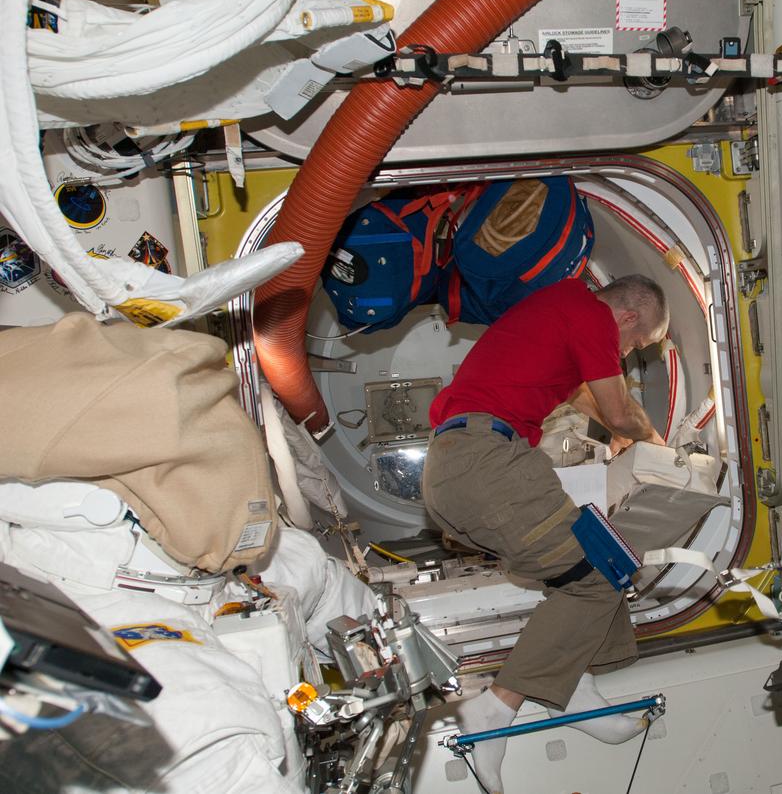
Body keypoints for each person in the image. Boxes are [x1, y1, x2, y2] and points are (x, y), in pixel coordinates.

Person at [0, 313, 375, 793]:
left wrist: (378, 658)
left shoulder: (229, 563)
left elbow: (321, 584)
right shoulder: (166, 716)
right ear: (89, 500)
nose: (239, 482)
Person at [423, 274, 670, 793]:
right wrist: (663, 450)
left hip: (457, 468)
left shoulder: (562, 307)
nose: (628, 354)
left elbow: (588, 401)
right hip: (487, 461)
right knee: (596, 576)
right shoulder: (592, 317)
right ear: (627, 318)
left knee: (606, 557)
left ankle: (574, 682)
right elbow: (619, 410)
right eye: (636, 344)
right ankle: (494, 711)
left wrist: (626, 435)